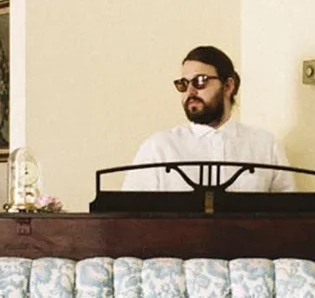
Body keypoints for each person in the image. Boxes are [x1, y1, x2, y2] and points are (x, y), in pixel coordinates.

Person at [126, 45, 295, 192]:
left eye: (200, 81)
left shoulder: (265, 146)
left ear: (228, 86)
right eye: (183, 84)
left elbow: (290, 213)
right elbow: (129, 213)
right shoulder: (159, 148)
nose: (190, 92)